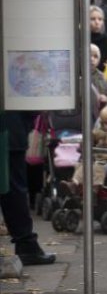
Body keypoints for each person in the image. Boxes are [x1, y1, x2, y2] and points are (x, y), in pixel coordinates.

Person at [0, 112, 57, 266]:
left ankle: (27, 245)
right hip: (10, 129)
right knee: (14, 190)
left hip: (10, 128)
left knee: (13, 189)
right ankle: (26, 246)